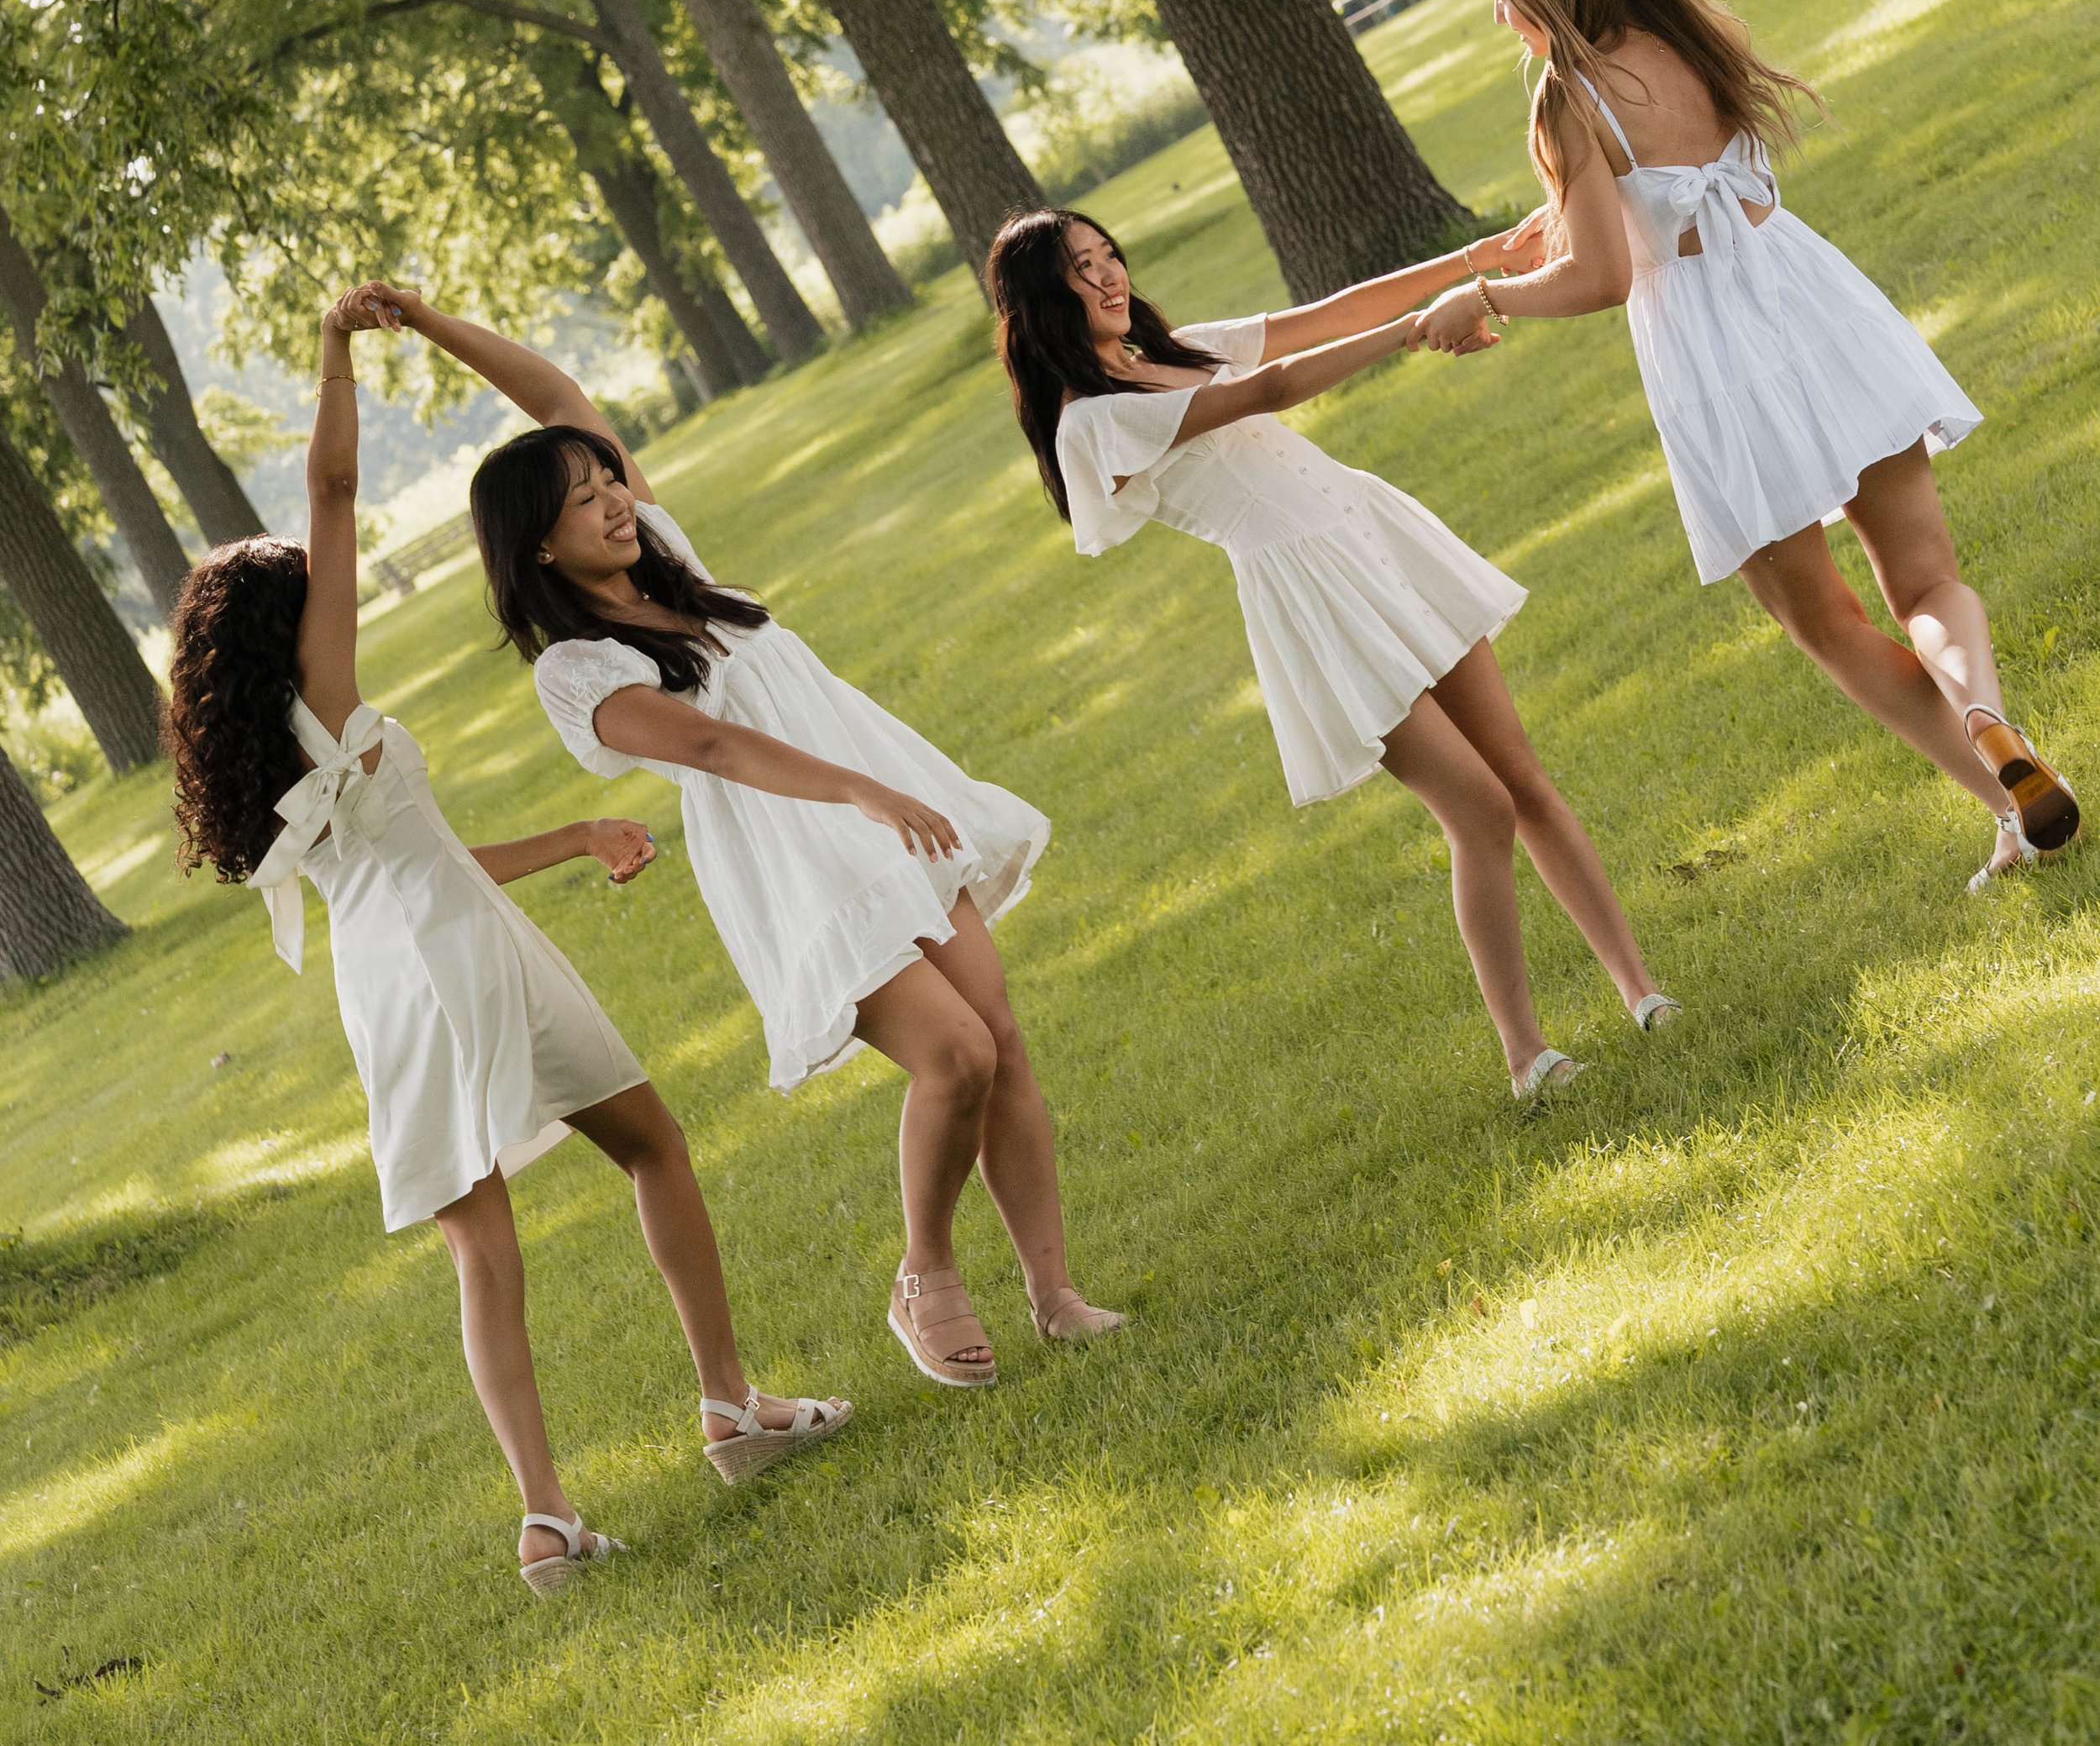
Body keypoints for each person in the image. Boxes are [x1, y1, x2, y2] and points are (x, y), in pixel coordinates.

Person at [167, 292, 850, 1599]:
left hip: (397, 977)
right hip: (468, 951)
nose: (328, 575)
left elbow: (415, 864)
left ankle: (549, 1518)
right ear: (286, 615)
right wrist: (333, 348)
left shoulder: (265, 759)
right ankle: (727, 1403)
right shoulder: (329, 685)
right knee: (650, 1143)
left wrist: (582, 831)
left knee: (485, 1246)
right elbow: (333, 480)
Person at [346, 283, 1121, 1389]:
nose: (613, 498)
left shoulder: (667, 553)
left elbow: (560, 392)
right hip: (797, 859)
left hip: (874, 799)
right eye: (581, 499)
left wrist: (424, 323)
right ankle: (928, 1272)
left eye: (608, 477)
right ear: (541, 550)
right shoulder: (578, 674)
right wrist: (860, 792)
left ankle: (1055, 1295)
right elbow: (710, 752)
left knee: (1000, 1034)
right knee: (955, 1055)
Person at [1415, 0, 2076, 891]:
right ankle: (1983, 710)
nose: (1499, 17)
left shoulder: (1566, 96)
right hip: (1815, 307)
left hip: (1714, 355)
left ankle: (2002, 800)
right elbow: (1675, 194)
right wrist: (1545, 228)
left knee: (1823, 619)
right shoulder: (1692, 33)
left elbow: (1602, 275)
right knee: (1925, 580)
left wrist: (1488, 298)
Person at [986, 208, 1674, 1104]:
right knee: (1479, 808)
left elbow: (1324, 314)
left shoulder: (1182, 347)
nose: (1109, 275)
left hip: (1370, 534)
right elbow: (1267, 390)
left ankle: (1643, 992)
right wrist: (1420, 327)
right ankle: (1527, 1057)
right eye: (1082, 268)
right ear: (1043, 297)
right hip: (1311, 595)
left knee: (1521, 776)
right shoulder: (1091, 424)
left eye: (1109, 254)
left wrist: (1474, 260)